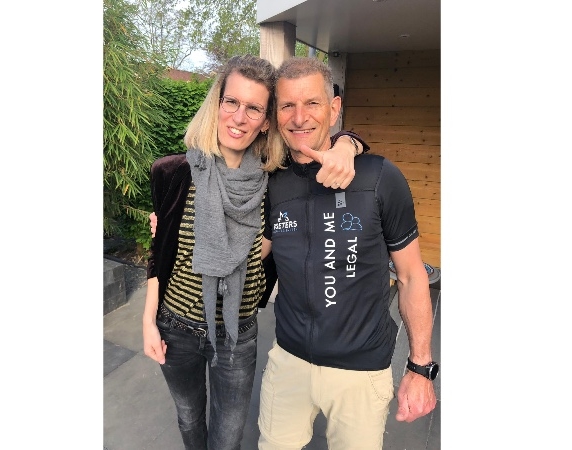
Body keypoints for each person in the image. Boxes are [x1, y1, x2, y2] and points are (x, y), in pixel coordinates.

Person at [143, 54, 367, 450]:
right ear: (217, 103)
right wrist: (148, 321)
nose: (239, 117)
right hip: (176, 326)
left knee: (228, 436)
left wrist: (349, 144)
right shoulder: (173, 172)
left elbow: (327, 143)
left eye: (254, 108)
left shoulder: (273, 181)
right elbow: (158, 254)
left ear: (265, 121)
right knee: (189, 417)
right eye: (231, 102)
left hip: (238, 333)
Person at [257, 57, 438, 450]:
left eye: (312, 103)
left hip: (361, 371)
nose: (299, 117)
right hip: (288, 361)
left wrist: (420, 367)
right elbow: (252, 249)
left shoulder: (378, 177)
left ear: (334, 108)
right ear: (275, 114)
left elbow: (411, 276)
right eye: (287, 105)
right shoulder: (272, 181)